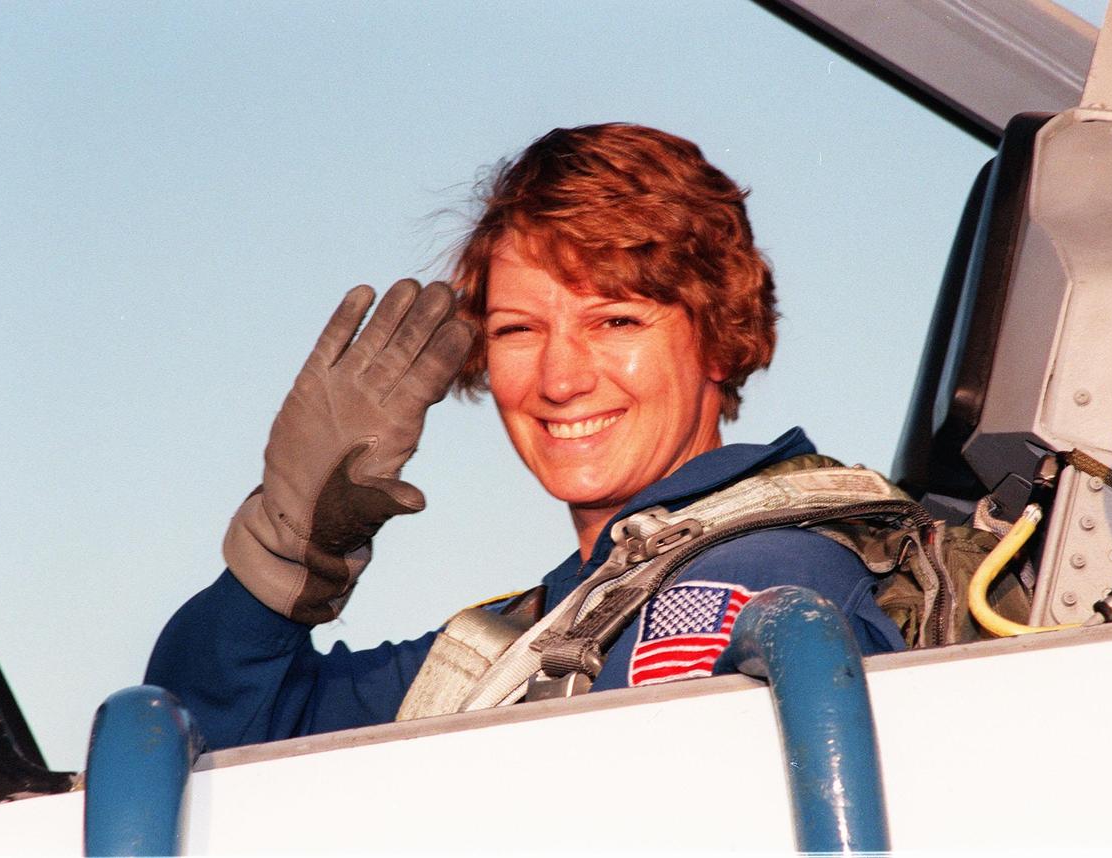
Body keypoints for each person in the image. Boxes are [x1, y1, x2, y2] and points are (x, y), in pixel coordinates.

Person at [146, 123, 904, 750]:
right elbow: (203, 739)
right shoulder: (532, 633)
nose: (560, 379)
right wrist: (287, 544)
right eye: (518, 329)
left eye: (615, 321)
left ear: (718, 337)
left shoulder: (758, 573)